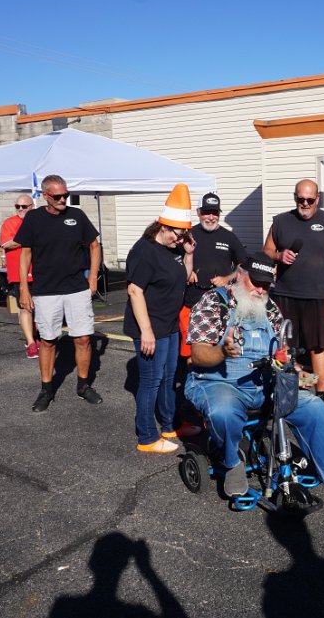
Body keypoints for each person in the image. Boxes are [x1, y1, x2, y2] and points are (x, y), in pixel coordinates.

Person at [184, 252, 324, 509]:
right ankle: (232, 463)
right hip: (217, 381)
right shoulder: (213, 303)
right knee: (223, 411)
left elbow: (279, 353)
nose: (261, 290)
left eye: (266, 285)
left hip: (262, 382)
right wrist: (221, 352)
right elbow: (198, 354)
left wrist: (295, 371)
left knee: (314, 407)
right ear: (239, 275)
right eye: (256, 282)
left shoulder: (269, 308)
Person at [17, 174, 103, 413]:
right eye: (58, 196)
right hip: (46, 290)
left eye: (66, 194)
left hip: (77, 288)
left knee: (83, 339)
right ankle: (46, 390)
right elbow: (25, 254)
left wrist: (92, 277)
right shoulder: (33, 218)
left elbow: (94, 246)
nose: (63, 199)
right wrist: (24, 289)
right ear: (45, 196)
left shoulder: (77, 216)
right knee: (47, 340)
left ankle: (83, 386)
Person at [124, 184, 197, 454]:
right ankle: (146, 437)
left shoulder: (174, 248)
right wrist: (146, 331)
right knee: (151, 381)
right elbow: (135, 290)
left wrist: (188, 254)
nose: (180, 240)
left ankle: (169, 425)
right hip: (150, 326)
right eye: (178, 235)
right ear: (163, 227)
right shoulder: (144, 251)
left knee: (168, 378)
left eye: (184, 236)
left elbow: (183, 278)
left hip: (169, 325)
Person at [262, 179, 324, 405]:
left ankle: (321, 394)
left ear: (317, 198)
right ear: (295, 198)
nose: (305, 204)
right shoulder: (281, 222)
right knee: (284, 346)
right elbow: (266, 250)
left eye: (310, 199)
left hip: (317, 297)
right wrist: (279, 256)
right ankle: (287, 390)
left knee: (317, 347)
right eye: (301, 199)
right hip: (285, 294)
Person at [180, 192, 248, 361]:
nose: (211, 217)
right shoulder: (188, 235)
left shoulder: (229, 237)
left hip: (220, 307)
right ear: (198, 212)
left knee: (213, 352)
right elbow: (173, 260)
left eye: (215, 212)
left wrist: (227, 278)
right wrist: (186, 270)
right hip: (191, 303)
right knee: (190, 355)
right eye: (206, 212)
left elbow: (244, 266)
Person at [0, 194, 38, 358]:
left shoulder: (39, 221)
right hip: (19, 274)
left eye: (24, 206)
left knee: (40, 309)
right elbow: (7, 244)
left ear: (32, 206)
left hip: (40, 272)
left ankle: (37, 337)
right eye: (17, 206)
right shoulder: (9, 223)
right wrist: (30, 238)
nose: (20, 209)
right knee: (25, 308)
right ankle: (30, 343)